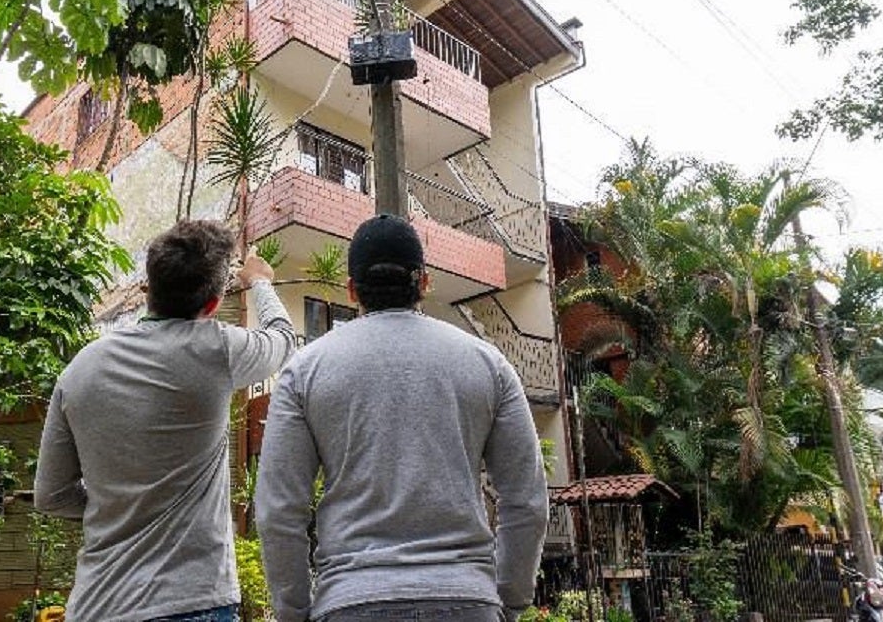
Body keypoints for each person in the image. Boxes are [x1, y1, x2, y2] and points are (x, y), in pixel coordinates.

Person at [255, 214, 547, 622]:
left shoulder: (305, 370)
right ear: (424, 282)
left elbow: (279, 510)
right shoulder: (488, 364)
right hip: (467, 600)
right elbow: (527, 500)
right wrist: (509, 602)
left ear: (352, 289)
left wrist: (294, 612)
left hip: (351, 601)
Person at [35, 219, 296, 622]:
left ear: (148, 290)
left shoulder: (80, 370)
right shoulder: (217, 349)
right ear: (211, 305)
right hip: (191, 601)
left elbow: (51, 495)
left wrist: (118, 505)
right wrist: (259, 280)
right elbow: (283, 339)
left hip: (97, 606)